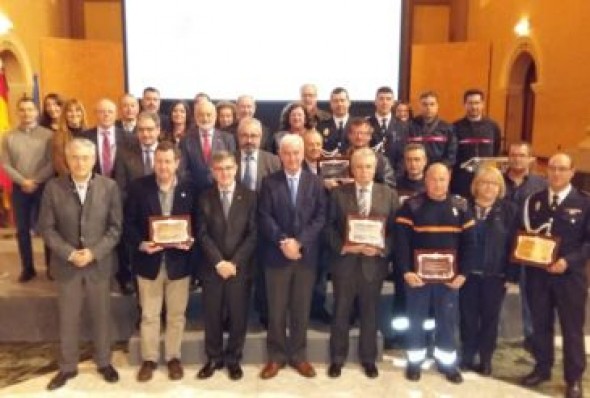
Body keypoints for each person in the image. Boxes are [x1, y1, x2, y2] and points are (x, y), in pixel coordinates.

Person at [38, 138, 121, 390]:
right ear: (67, 159)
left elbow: (115, 228)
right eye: (75, 157)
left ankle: (104, 362)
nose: (80, 162)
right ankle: (67, 367)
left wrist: (94, 252)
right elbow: (47, 228)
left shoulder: (110, 187)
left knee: (101, 315)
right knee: (68, 318)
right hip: (67, 265)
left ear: (94, 160)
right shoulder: (53, 188)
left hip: (99, 264)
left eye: (85, 157)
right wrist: (70, 253)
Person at [395, 163, 477, 384]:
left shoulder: (461, 207)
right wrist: (406, 271)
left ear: (449, 178)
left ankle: (447, 362)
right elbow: (401, 243)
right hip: (417, 279)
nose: (438, 183)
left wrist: (463, 274)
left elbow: (470, 244)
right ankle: (415, 361)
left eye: (442, 179)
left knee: (447, 321)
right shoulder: (411, 206)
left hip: (449, 280)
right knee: (416, 320)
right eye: (433, 179)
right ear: (425, 179)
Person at [124, 140, 197, 382]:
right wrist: (142, 244)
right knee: (150, 315)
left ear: (177, 163)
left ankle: (173, 357)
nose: (163, 166)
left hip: (179, 263)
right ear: (153, 162)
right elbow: (129, 224)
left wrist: (190, 240)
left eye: (168, 161)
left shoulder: (189, 188)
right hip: (149, 263)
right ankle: (149, 359)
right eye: (159, 161)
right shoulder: (139, 188)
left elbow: (196, 223)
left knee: (176, 315)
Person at [519, 153, 590, 398]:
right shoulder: (534, 201)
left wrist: (567, 262)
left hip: (570, 278)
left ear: (572, 172)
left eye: (562, 169)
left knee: (571, 329)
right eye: (552, 168)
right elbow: (525, 236)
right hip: (538, 275)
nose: (556, 173)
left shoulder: (584, 202)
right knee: (540, 324)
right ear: (545, 171)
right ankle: (542, 367)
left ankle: (574, 379)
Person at [326, 148, 399, 379]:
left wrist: (382, 249)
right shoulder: (338, 194)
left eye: (368, 166)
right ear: (351, 168)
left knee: (370, 313)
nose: (364, 171)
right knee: (341, 312)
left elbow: (396, 230)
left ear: (375, 168)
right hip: (345, 263)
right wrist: (344, 246)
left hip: (373, 264)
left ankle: (368, 359)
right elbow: (327, 227)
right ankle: (337, 359)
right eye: (359, 166)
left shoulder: (388, 194)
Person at [258, 134, 326, 379]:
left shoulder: (316, 182)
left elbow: (320, 217)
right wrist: (283, 241)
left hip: (305, 257)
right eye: (286, 153)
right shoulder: (268, 182)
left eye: (296, 152)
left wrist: (300, 242)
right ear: (280, 155)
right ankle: (275, 357)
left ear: (303, 152)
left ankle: (299, 355)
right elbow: (264, 216)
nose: (292, 158)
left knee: (301, 308)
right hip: (277, 255)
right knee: (276, 310)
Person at [196, 151, 257, 381]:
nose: (224, 173)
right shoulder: (204, 197)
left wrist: (234, 262)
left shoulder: (250, 197)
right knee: (211, 315)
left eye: (229, 168)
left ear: (236, 169)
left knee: (238, 315)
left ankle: (233, 358)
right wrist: (219, 262)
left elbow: (253, 235)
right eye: (219, 169)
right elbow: (201, 234)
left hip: (239, 268)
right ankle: (213, 358)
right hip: (213, 268)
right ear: (212, 172)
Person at [459, 166, 518, 376]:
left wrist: (512, 275)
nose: (489, 187)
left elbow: (515, 244)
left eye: (494, 183)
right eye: (484, 182)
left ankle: (485, 359)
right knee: (467, 317)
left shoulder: (510, 210)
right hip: (467, 275)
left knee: (489, 319)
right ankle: (467, 355)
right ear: (476, 186)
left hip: (495, 276)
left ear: (500, 187)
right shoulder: (463, 207)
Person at [0, 96, 54, 282]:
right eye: (22, 110)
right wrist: (23, 182)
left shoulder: (48, 135)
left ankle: (51, 268)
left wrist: (36, 180)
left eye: (30, 109)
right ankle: (27, 268)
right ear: (17, 112)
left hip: (42, 187)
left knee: (47, 228)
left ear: (36, 112)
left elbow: (51, 163)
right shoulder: (8, 136)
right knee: (22, 230)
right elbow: (5, 164)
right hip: (19, 188)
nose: (26, 113)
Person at [235, 117, 281, 327]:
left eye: (254, 136)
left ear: (261, 137)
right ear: (238, 136)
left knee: (264, 275)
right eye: (245, 135)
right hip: (234, 229)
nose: (249, 140)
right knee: (238, 275)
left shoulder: (274, 161)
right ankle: (235, 315)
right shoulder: (229, 160)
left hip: (265, 228)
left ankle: (265, 313)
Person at [503, 141, 547, 350]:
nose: (517, 159)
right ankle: (487, 336)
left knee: (532, 295)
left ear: (530, 158)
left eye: (522, 155)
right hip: (502, 245)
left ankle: (533, 337)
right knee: (493, 293)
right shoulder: (497, 181)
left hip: (530, 248)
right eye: (513, 154)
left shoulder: (541, 184)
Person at [390, 143, 428, 347]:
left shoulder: (432, 186)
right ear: (404, 162)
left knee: (426, 298)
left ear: (425, 161)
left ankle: (425, 336)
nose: (413, 164)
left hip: (426, 250)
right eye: (409, 159)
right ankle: (399, 335)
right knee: (401, 295)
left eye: (417, 159)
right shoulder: (394, 185)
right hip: (402, 248)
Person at [451, 89, 502, 198]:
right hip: (461, 181)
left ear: (483, 104)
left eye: (477, 103)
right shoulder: (455, 127)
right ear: (465, 105)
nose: (474, 107)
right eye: (470, 103)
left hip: (485, 180)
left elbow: (496, 151)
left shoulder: (493, 127)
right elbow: (452, 154)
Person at [180, 100, 236, 194]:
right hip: (194, 192)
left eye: (208, 115)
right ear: (196, 117)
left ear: (215, 117)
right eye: (201, 115)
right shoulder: (186, 140)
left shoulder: (228, 139)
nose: (205, 119)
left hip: (220, 192)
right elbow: (182, 169)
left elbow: (231, 166)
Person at [114, 111, 161, 201]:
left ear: (158, 130)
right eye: (141, 130)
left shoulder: (169, 152)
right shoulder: (124, 154)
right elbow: (120, 188)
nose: (145, 134)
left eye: (149, 129)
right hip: (135, 207)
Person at [407, 91, 457, 168]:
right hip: (415, 171)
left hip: (437, 172)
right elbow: (405, 151)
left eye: (432, 104)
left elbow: (451, 155)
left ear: (437, 106)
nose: (428, 108)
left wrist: (439, 168)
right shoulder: (410, 126)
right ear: (419, 106)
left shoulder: (447, 128)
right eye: (425, 104)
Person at [344, 117, 396, 188]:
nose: (359, 137)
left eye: (363, 133)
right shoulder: (342, 158)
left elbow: (389, 186)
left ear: (370, 136)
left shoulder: (381, 160)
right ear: (349, 136)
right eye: (355, 133)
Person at [52, 98, 88, 176]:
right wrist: (73, 179)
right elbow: (59, 163)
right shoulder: (59, 135)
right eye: (70, 111)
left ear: (82, 113)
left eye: (77, 110)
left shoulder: (89, 133)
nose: (74, 114)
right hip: (67, 180)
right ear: (65, 114)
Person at [317, 87, 351, 153]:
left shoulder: (357, 125)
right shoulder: (321, 127)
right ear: (330, 104)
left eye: (342, 100)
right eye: (335, 101)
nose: (339, 104)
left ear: (349, 102)